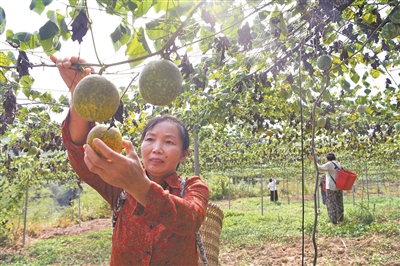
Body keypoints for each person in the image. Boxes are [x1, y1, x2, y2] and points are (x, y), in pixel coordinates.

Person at [50, 55, 210, 265]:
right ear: (141, 145)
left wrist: (139, 185)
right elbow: (82, 152)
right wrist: (80, 91)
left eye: (169, 142)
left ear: (184, 154)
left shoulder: (193, 186)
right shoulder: (120, 188)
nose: (157, 149)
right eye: (150, 139)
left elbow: (191, 219)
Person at [310, 152, 343, 224]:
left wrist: (314, 161)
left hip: (331, 187)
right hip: (339, 187)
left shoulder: (330, 164)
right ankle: (340, 220)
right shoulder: (339, 164)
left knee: (331, 204)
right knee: (339, 203)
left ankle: (334, 221)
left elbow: (319, 168)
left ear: (327, 159)